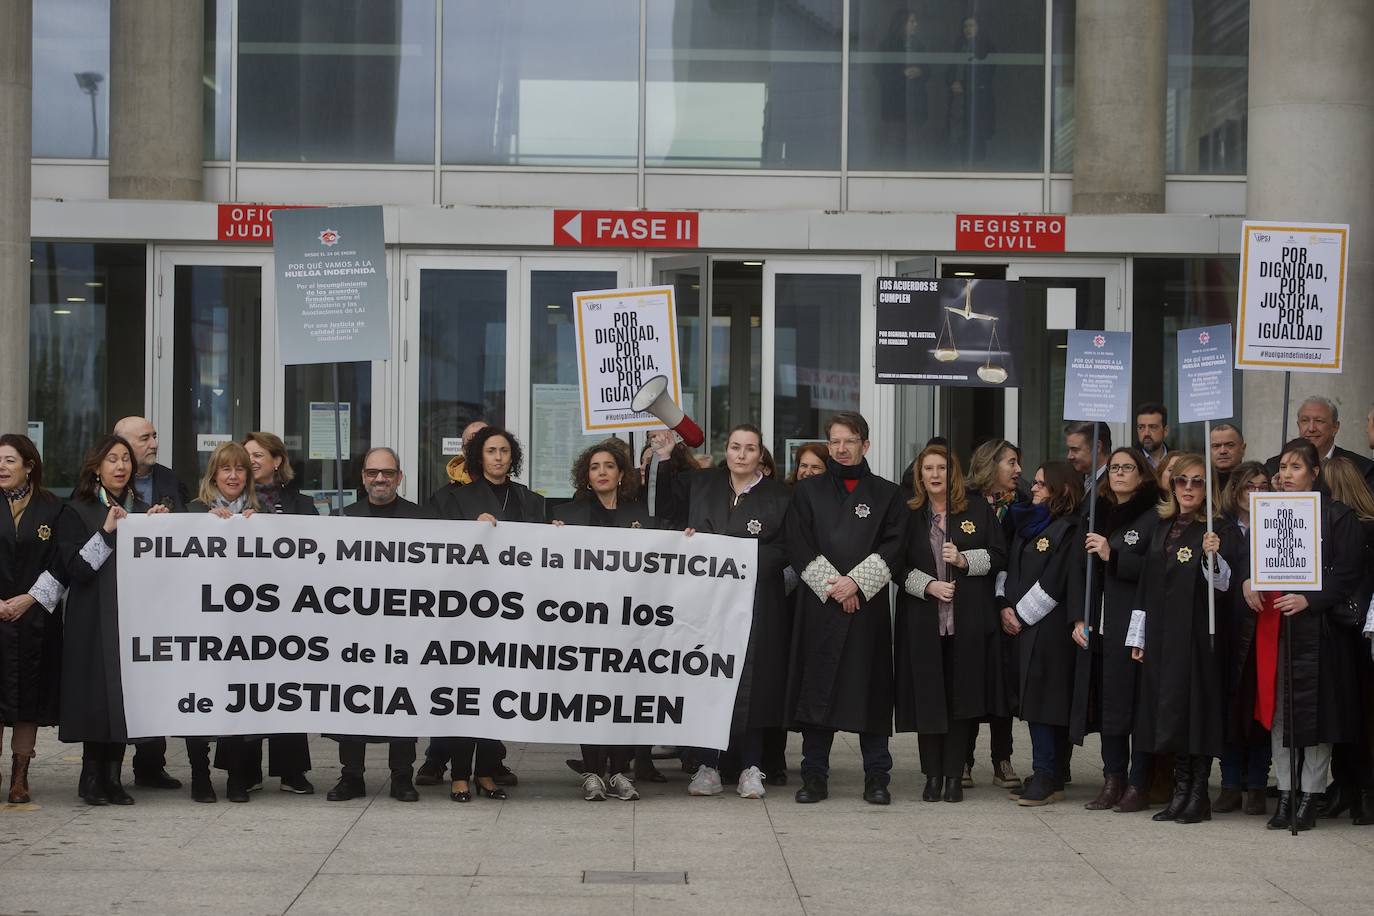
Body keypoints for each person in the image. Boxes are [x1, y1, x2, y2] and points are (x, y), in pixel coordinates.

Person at [1235, 439, 1364, 830]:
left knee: (1316, 716)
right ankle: (1287, 792)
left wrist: (1311, 599)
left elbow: (1348, 572)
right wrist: (1247, 580)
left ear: (1315, 472)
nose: (1287, 475)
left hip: (1320, 630)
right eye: (1284, 468)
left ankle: (1311, 795)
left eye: (1296, 467)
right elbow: (1251, 556)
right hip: (1276, 625)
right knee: (1278, 712)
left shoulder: (1338, 516)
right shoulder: (1267, 512)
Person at [786, 412, 906, 805]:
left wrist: (857, 583)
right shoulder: (807, 492)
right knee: (817, 689)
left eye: (849, 440)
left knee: (868, 691)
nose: (841, 448)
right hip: (821, 605)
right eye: (835, 441)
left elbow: (894, 545)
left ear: (865, 444)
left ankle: (877, 778)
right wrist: (837, 587)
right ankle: (815, 776)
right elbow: (799, 543)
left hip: (865, 610)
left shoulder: (888, 494)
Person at [57, 435, 171, 805]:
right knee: (96, 696)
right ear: (97, 467)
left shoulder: (141, 508)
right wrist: (107, 531)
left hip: (132, 616)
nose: (121, 466)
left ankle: (113, 776)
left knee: (124, 696)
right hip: (92, 617)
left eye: (126, 460)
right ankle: (91, 777)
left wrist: (159, 527)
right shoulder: (77, 510)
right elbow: (76, 569)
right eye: (112, 460)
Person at [681, 425, 794, 800]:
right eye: (734, 447)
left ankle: (751, 766)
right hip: (707, 604)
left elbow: (786, 549)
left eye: (749, 448)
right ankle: (707, 766)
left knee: (755, 684)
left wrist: (741, 560)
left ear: (761, 455)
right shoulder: (702, 486)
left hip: (759, 602)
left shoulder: (780, 496)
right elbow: (674, 527)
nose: (741, 455)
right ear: (725, 450)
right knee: (708, 677)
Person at [434, 426, 543, 804]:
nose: (498, 457)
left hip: (511, 609)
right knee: (467, 692)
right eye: (491, 451)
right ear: (479, 457)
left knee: (493, 692)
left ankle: (485, 772)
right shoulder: (454, 500)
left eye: (504, 451)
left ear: (513, 458)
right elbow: (436, 550)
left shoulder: (531, 501)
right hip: (468, 610)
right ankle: (459, 774)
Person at [895, 444, 1006, 803]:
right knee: (929, 697)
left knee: (962, 699)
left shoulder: (975, 508)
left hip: (967, 620)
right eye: (928, 468)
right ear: (919, 474)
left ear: (952, 472)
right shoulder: (909, 512)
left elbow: (998, 555)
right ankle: (931, 775)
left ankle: (955, 776)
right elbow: (893, 566)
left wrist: (962, 559)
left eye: (941, 467)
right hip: (923, 620)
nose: (934, 475)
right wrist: (928, 585)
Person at [1126, 452, 1232, 825]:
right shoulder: (1161, 526)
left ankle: (1198, 794)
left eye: (1197, 481)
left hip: (1196, 638)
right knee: (1168, 714)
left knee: (1194, 713)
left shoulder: (1217, 529)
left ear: (1208, 488)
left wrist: (1213, 557)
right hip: (1161, 636)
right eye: (1182, 480)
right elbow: (1145, 586)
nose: (1188, 488)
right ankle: (1180, 791)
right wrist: (1138, 636)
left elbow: (1223, 585)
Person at [212, 431, 315, 801]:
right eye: (245, 456)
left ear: (277, 459)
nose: (250, 461)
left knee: (286, 689)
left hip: (286, 610)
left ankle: (292, 770)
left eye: (258, 455)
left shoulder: (300, 503)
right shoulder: (230, 503)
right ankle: (242, 771)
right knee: (243, 688)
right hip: (240, 612)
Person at [324, 447, 427, 804]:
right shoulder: (341, 518)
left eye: (386, 473)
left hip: (404, 630)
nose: (379, 479)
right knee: (352, 701)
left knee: (402, 700)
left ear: (400, 477)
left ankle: (402, 775)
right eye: (372, 473)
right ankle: (351, 776)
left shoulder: (422, 519)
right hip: (355, 631)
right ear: (362, 477)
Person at [1074, 447, 1161, 813]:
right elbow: (1078, 571)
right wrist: (1079, 617)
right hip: (1102, 623)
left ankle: (1138, 781)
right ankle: (1112, 779)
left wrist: (1115, 555)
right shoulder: (1096, 512)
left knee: (1136, 704)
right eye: (1114, 468)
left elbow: (1159, 570)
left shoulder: (1155, 513)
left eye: (1128, 468)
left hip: (1136, 624)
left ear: (1141, 475)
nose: (1120, 473)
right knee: (1110, 703)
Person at [181, 441, 269, 803]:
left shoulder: (260, 513)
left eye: (240, 469)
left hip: (244, 628)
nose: (233, 476)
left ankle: (236, 777)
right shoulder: (192, 511)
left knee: (238, 701)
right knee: (200, 700)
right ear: (213, 474)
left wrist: (259, 530)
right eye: (225, 469)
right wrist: (203, 526)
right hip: (200, 626)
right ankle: (200, 775)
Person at [109, 416, 189, 789]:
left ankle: (150, 764)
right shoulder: (103, 482)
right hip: (115, 595)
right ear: (120, 445)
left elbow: (189, 528)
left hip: (161, 596)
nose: (154, 443)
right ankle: (107, 767)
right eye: (144, 438)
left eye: (155, 435)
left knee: (155, 673)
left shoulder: (171, 480)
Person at [999, 460, 1085, 807]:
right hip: (1021, 625)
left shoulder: (1070, 528)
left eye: (1040, 484)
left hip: (1048, 628)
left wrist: (1020, 615)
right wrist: (1003, 604)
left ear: (1061, 490)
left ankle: (1047, 774)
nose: (1032, 488)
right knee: (1033, 702)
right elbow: (1008, 565)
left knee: (1045, 705)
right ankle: (1047, 772)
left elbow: (1056, 579)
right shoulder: (1025, 523)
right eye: (1033, 483)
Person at [0, 434, 67, 804]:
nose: (2, 467)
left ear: (29, 465)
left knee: (27, 697)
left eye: (10, 460)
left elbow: (60, 561)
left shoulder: (51, 508)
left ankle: (20, 776)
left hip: (34, 618)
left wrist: (28, 600)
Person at [963, 437, 1027, 790]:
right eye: (1011, 462)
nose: (1018, 470)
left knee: (1004, 683)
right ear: (991, 465)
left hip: (1013, 605)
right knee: (972, 679)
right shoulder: (966, 504)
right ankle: (965, 759)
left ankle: (1002, 757)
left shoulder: (1026, 504)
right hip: (974, 602)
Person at [1314, 456, 1374, 824]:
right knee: (1359, 713)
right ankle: (1357, 790)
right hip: (1359, 627)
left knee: (1347, 711)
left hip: (1343, 627)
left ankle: (1353, 787)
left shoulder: (1343, 525)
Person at [1212, 461, 1273, 817]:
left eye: (1263, 486)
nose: (1257, 493)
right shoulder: (1221, 529)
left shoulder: (1278, 524)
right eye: (1250, 487)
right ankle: (1231, 783)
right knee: (1230, 708)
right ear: (1236, 491)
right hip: (1230, 629)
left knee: (1259, 708)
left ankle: (1257, 785)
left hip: (1265, 628)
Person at [1264, 397, 1374, 489]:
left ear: (1335, 427)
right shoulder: (1272, 467)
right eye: (1305, 421)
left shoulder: (1362, 468)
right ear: (1298, 425)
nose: (1311, 428)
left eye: (1319, 421)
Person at [878, 7, 930, 168]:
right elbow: (879, 71)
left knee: (914, 153)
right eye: (912, 21)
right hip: (895, 109)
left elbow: (929, 69)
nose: (916, 25)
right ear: (902, 23)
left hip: (915, 108)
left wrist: (920, 71)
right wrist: (902, 72)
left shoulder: (919, 45)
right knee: (893, 152)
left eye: (915, 21)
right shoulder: (887, 44)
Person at [112, 416, 189, 512]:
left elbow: (183, 522)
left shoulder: (171, 480)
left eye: (154, 437)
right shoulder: (108, 479)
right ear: (123, 444)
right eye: (144, 439)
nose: (154, 445)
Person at [427, 419, 488, 511]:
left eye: (485, 444)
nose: (478, 450)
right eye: (472, 444)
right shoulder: (443, 498)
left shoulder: (515, 493)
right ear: (463, 451)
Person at [1066, 421, 1112, 496]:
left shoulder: (1115, 484)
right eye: (1069, 450)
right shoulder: (1073, 480)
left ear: (1097, 447)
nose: (1069, 456)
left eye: (1075, 449)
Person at [1210, 423, 1246, 489]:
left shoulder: (1255, 483)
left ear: (1243, 449)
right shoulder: (1199, 484)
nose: (1222, 451)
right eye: (1216, 446)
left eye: (1230, 445)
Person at [1134, 403, 1170, 470]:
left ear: (1165, 431)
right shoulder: (1130, 459)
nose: (1146, 433)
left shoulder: (1178, 460)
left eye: (1152, 427)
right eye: (1141, 427)